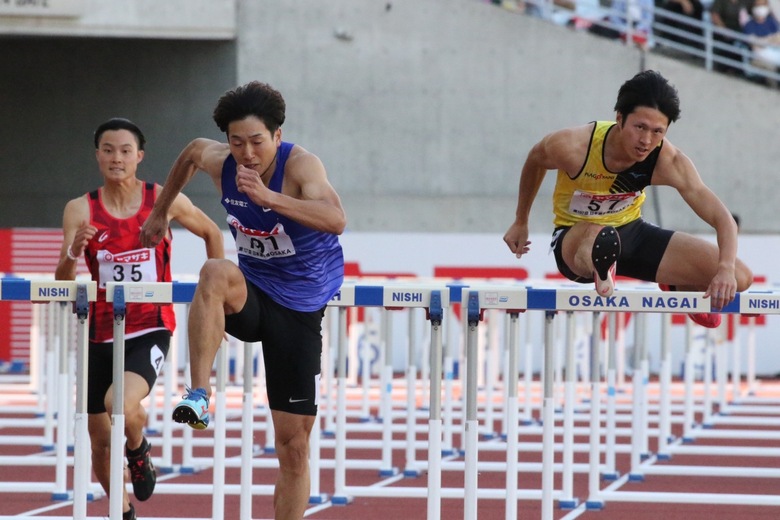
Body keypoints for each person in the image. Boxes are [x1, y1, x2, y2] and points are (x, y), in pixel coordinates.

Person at [139, 81, 346, 520]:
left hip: (299, 308)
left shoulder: (302, 167)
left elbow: (336, 219)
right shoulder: (222, 160)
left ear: (277, 135)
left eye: (256, 141)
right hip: (251, 293)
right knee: (214, 271)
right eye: (237, 142)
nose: (247, 153)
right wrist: (161, 212)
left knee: (293, 449)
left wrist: (270, 198)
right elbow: (193, 151)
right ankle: (199, 395)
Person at [55, 118, 224, 520]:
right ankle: (124, 509)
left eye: (125, 151)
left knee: (119, 404)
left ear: (139, 157)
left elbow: (212, 232)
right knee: (98, 442)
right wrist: (73, 253)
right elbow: (62, 284)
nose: (117, 158)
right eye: (108, 150)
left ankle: (136, 447)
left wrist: (215, 296)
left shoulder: (161, 199)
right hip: (99, 332)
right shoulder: (80, 209)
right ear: (97, 155)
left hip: (149, 326)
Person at [503, 70, 753, 328]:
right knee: (597, 235)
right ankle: (603, 266)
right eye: (640, 127)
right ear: (620, 119)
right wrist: (521, 219)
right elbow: (535, 160)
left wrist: (724, 269)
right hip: (576, 240)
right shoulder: (574, 146)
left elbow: (723, 218)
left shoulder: (667, 160)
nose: (646, 141)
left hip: (632, 233)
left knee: (741, 277)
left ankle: (675, 282)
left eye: (658, 132)